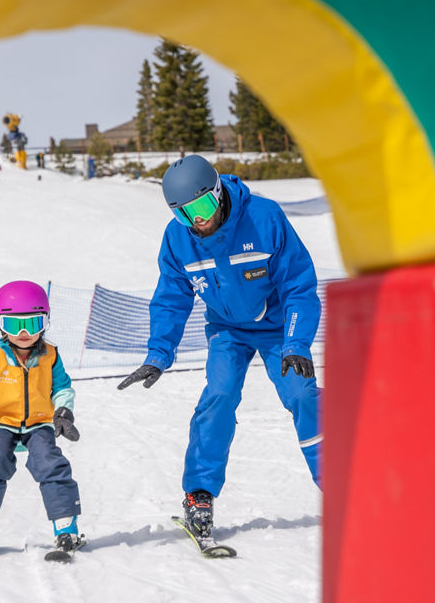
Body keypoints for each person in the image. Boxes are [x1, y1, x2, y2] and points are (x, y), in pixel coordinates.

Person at [117, 154, 322, 539]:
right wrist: (158, 354)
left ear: (219, 193)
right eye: (184, 214)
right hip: (228, 331)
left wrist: (296, 342)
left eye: (203, 206)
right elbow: (170, 298)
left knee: (302, 394)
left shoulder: (263, 217)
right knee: (219, 396)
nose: (197, 220)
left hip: (278, 328)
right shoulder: (178, 239)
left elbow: (298, 283)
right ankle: (199, 494)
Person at [0, 280, 83, 563]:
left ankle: (66, 531)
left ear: (45, 323)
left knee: (50, 462)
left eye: (33, 324)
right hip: (1, 422)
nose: (23, 333)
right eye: (14, 324)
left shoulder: (51, 355)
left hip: (39, 422)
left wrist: (63, 412)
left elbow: (62, 388)